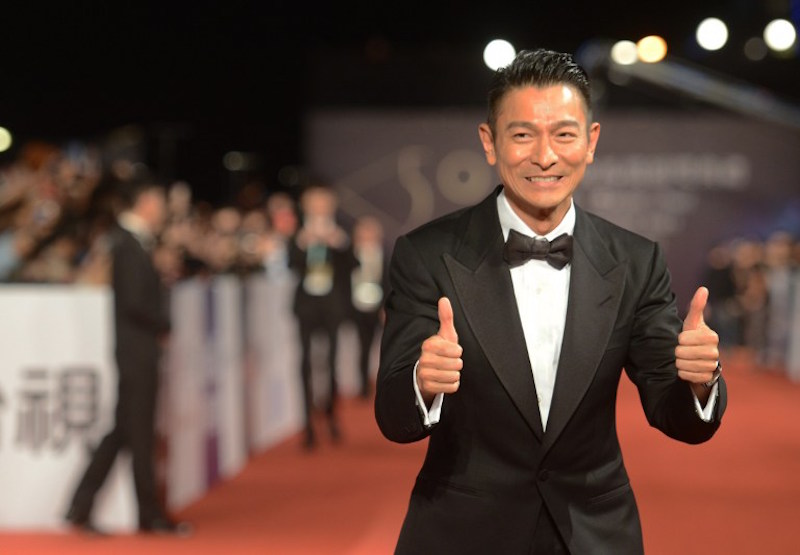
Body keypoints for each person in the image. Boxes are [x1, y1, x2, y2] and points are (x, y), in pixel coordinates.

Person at [374, 48, 727, 554]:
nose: (545, 156)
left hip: (593, 535)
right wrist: (422, 383)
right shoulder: (427, 254)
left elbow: (677, 414)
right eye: (522, 135)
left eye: (564, 134)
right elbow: (393, 416)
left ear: (591, 141)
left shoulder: (636, 260)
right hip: (464, 534)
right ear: (489, 142)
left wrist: (698, 382)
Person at [65, 176, 190, 536]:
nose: (162, 209)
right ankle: (148, 514)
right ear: (146, 201)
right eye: (160, 201)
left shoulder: (134, 242)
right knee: (140, 434)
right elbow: (135, 301)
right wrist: (163, 323)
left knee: (123, 431)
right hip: (137, 351)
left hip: (137, 349)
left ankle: (80, 506)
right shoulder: (126, 243)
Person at [289, 184, 358, 449]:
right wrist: (302, 242)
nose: (319, 207)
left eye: (323, 203)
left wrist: (339, 243)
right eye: (314, 203)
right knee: (305, 363)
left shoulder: (340, 231)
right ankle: (307, 424)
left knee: (331, 361)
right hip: (306, 306)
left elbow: (354, 265)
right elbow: (289, 264)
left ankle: (331, 415)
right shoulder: (298, 233)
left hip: (332, 306)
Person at [348, 215, 389, 398]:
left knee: (383, 348)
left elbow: (388, 283)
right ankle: (363, 385)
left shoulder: (384, 256)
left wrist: (386, 307)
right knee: (362, 347)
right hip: (357, 308)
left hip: (378, 309)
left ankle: (383, 383)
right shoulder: (351, 255)